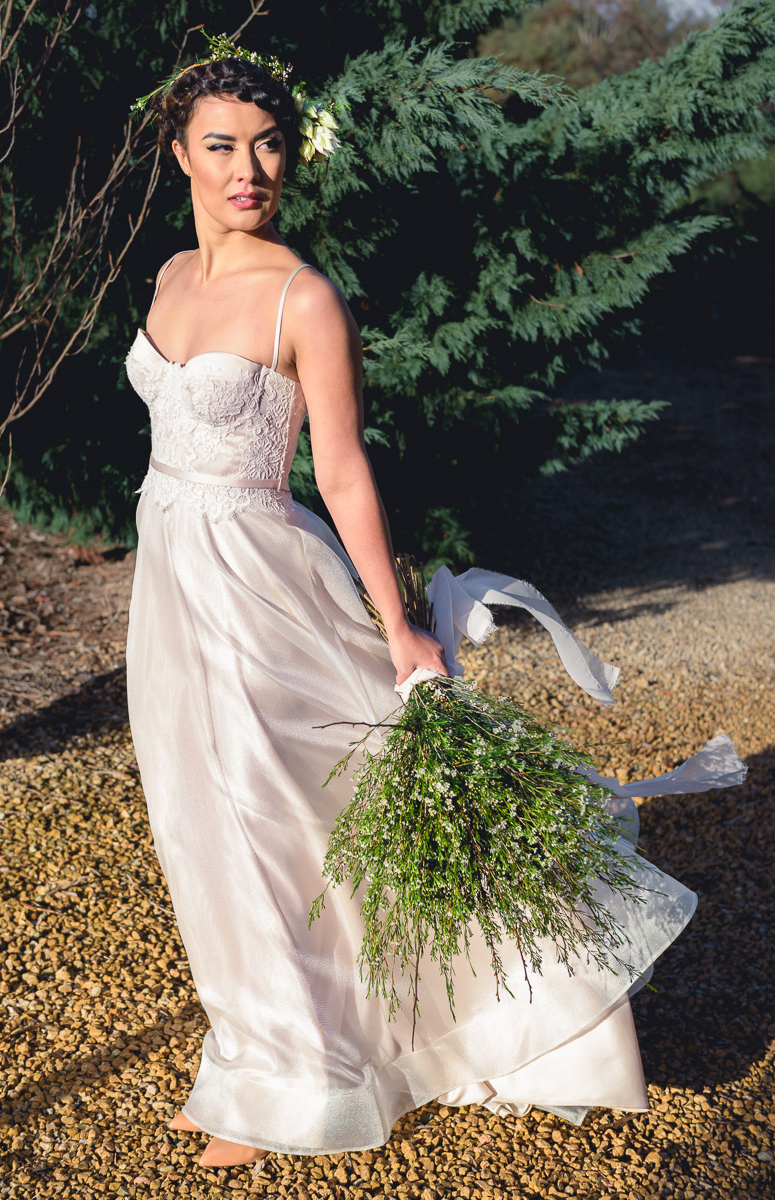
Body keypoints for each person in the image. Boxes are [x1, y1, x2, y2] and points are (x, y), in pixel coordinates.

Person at [124, 49, 735, 1171]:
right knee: (203, 819)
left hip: (261, 581)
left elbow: (344, 470)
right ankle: (256, 1049)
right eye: (221, 145)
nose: (247, 167)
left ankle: (300, 1084)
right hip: (171, 573)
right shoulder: (168, 276)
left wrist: (398, 627)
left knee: (272, 817)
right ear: (181, 155)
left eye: (267, 145)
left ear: (290, 156)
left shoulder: (302, 297)